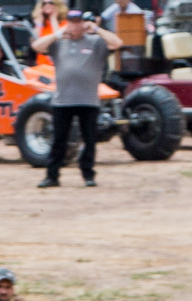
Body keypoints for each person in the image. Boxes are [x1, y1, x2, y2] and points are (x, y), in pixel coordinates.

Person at [33, 12, 122, 188]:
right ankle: (52, 176)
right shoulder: (59, 43)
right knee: (59, 139)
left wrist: (96, 29)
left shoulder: (95, 42)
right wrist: (58, 33)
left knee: (89, 140)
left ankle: (88, 175)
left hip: (88, 100)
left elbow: (118, 43)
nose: (75, 26)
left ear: (83, 24)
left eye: (78, 22)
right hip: (63, 100)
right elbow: (37, 46)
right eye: (71, 22)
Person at [31, 0, 62, 67]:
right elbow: (34, 42)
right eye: (44, 3)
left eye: (51, 3)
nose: (47, 5)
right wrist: (39, 22)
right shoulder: (40, 23)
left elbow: (59, 39)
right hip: (42, 64)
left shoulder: (64, 22)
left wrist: (53, 19)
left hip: (58, 64)